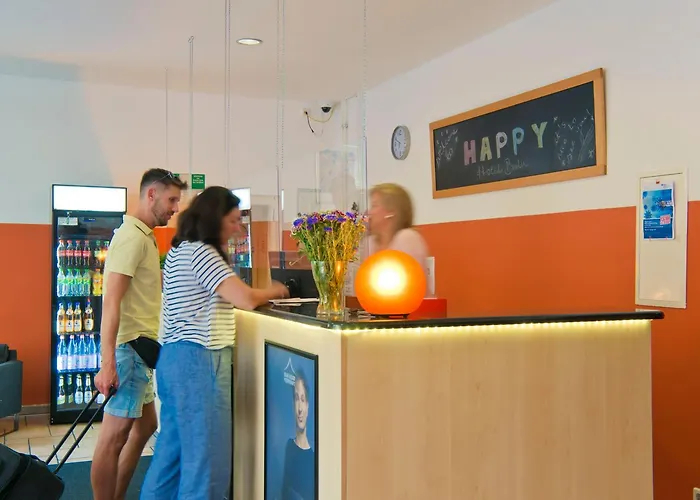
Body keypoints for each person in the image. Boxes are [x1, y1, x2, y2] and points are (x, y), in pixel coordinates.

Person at [141, 186, 290, 500]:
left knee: (170, 459)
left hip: (173, 361)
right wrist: (277, 291)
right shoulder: (202, 253)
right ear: (214, 218)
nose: (238, 229)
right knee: (206, 464)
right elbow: (244, 299)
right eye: (234, 221)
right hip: (200, 362)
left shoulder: (179, 250)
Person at [91, 169, 187, 500]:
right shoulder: (132, 237)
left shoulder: (144, 235)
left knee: (145, 427)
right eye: (171, 200)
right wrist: (107, 364)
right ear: (151, 195)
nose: (175, 208)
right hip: (128, 351)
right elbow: (111, 301)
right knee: (112, 438)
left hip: (140, 352)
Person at [366, 183, 428, 268]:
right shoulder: (369, 243)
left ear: (391, 211)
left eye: (374, 205)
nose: (369, 212)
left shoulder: (407, 238)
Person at [281, 370, 315, 500]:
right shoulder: (289, 447)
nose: (300, 408)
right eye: (296, 399)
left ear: (308, 406)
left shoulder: (313, 457)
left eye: (303, 399)